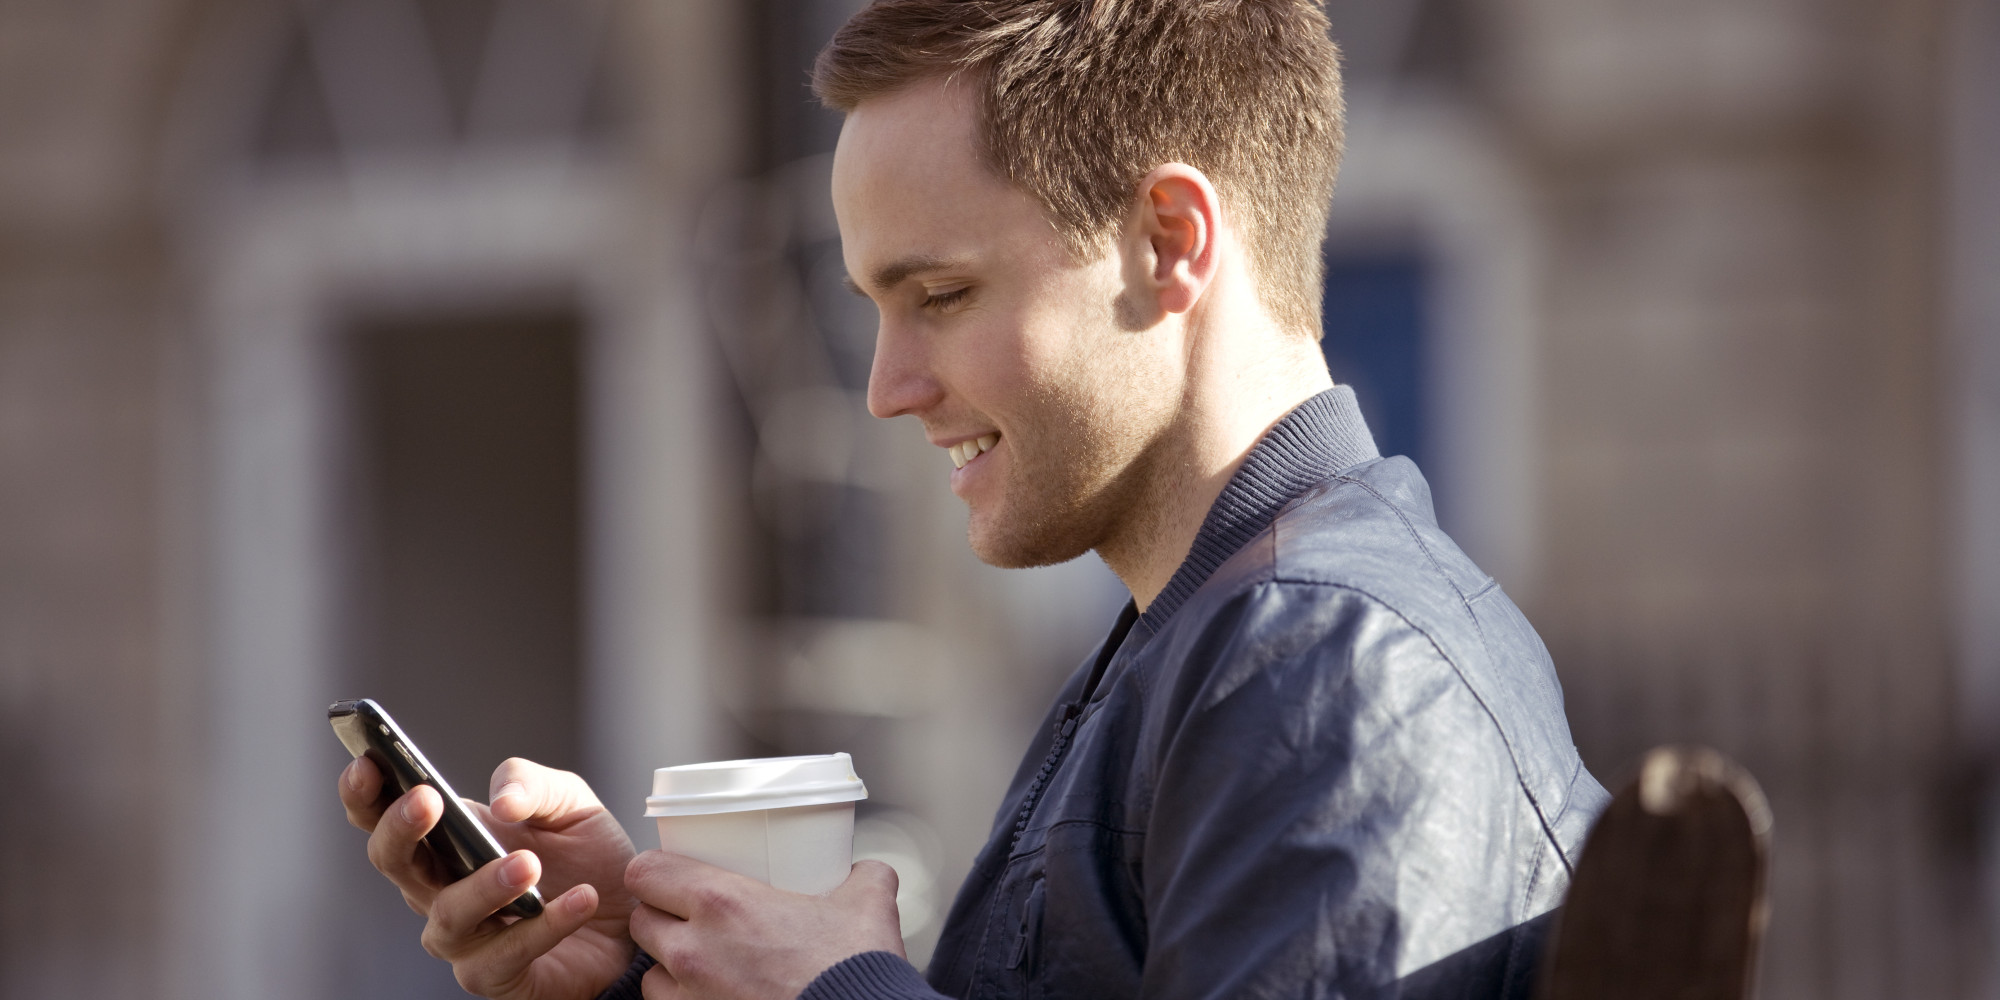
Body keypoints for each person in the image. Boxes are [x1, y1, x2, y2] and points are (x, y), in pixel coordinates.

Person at [336, 2, 1609, 998]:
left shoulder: (1328, 661)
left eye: (938, 296)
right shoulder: (1205, 639)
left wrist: (837, 990)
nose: (887, 388)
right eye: (872, 308)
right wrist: (644, 964)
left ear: (1169, 241)